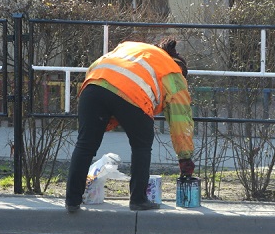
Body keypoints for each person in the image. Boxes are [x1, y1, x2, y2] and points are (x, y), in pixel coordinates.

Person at [65, 37, 195, 212]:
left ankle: (72, 201)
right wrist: (185, 157)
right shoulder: (173, 71)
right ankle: (138, 200)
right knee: (142, 145)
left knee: (85, 144)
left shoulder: (135, 48)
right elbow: (180, 120)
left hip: (93, 85)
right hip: (132, 93)